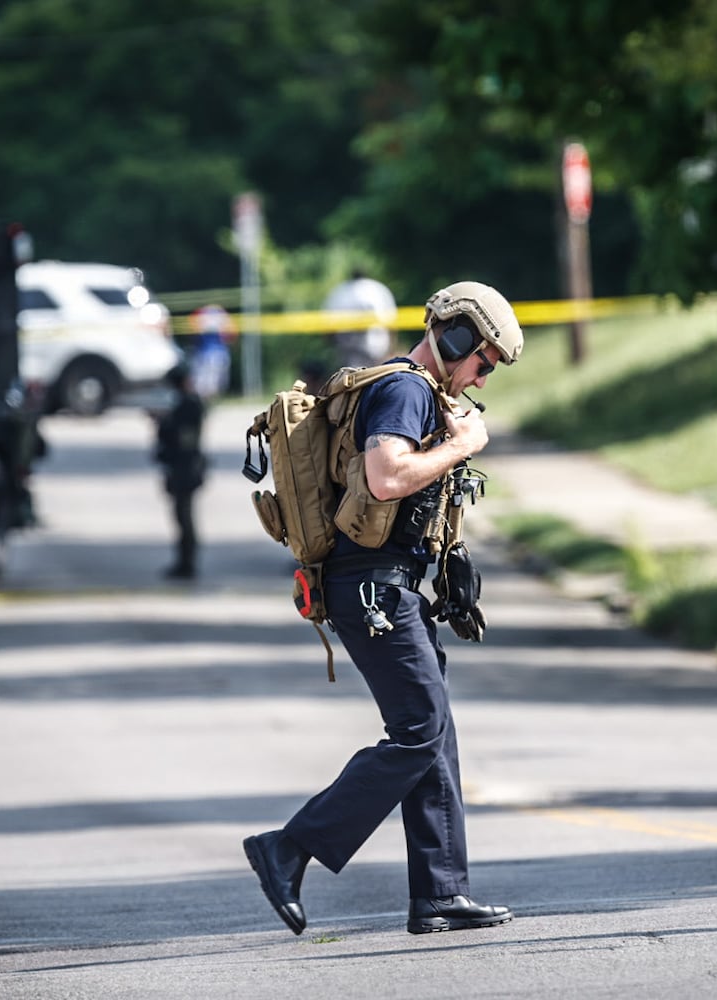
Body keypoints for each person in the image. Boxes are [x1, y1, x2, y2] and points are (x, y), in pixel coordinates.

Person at [243, 280, 523, 937]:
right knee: (419, 727)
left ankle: (440, 895)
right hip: (369, 588)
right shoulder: (404, 389)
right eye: (481, 361)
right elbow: (385, 475)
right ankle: (288, 848)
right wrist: (462, 446)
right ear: (455, 338)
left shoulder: (419, 391)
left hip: (387, 583)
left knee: (436, 733)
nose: (481, 379)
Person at [153, 363, 206, 579]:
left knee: (184, 516)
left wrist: (164, 424)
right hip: (183, 467)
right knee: (181, 516)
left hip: (185, 469)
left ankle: (187, 562)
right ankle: (185, 560)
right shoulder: (186, 404)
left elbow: (181, 440)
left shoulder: (189, 406)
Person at [323, 269, 398, 369]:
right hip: (376, 343)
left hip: (349, 346)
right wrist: (392, 345)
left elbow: (328, 326)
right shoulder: (378, 289)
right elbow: (392, 322)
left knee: (351, 376)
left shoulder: (340, 291)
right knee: (376, 375)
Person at [188, 303, 236, 401]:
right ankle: (207, 400)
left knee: (207, 381)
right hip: (212, 353)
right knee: (210, 381)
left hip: (207, 354)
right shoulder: (222, 318)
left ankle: (205, 400)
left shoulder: (201, 318)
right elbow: (231, 337)